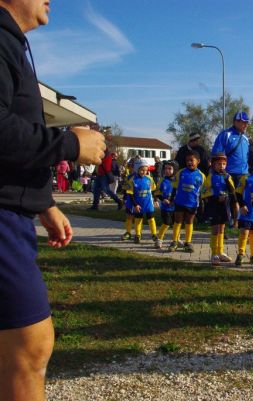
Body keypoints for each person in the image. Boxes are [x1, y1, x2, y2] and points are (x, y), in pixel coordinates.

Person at [0, 2, 106, 399]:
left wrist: (44, 202)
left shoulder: (12, 42)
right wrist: (70, 143)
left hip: (12, 211)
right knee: (30, 346)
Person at [202, 152, 238, 266]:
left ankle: (220, 251)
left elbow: (232, 190)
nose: (221, 166)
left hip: (224, 206)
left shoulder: (227, 176)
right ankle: (214, 254)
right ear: (213, 165)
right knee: (215, 229)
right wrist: (215, 197)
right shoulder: (210, 176)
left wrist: (227, 181)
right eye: (218, 164)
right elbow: (204, 191)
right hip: (214, 205)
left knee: (222, 228)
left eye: (223, 164)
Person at [168, 150, 205, 253]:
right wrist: (171, 199)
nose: (189, 162)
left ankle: (188, 242)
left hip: (192, 203)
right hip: (179, 202)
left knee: (189, 222)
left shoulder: (201, 176)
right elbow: (174, 187)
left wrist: (202, 203)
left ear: (198, 161)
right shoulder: (181, 172)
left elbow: (203, 191)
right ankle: (174, 241)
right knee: (178, 221)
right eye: (187, 160)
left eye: (191, 160)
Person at [211, 111, 251, 186]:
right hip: (228, 174)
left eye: (247, 123)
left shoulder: (245, 139)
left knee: (241, 198)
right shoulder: (225, 135)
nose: (246, 125)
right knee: (229, 197)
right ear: (235, 122)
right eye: (244, 122)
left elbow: (248, 157)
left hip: (244, 175)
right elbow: (216, 155)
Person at [125, 159, 158, 244]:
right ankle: (138, 235)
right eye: (142, 170)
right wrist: (135, 205)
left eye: (146, 170)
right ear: (137, 169)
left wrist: (155, 200)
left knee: (151, 218)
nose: (144, 172)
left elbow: (153, 190)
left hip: (148, 204)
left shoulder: (149, 179)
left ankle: (154, 234)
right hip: (138, 204)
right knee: (138, 219)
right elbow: (130, 194)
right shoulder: (132, 179)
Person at [153, 160, 178, 249]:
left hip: (176, 207)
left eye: (169, 169)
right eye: (165, 168)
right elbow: (157, 192)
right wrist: (162, 199)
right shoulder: (162, 180)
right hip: (166, 207)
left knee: (176, 223)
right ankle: (159, 239)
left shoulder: (178, 180)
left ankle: (177, 239)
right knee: (166, 223)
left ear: (174, 170)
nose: (167, 170)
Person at [120, 158, 136, 240]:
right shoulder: (129, 176)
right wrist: (124, 198)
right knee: (128, 216)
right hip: (129, 199)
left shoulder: (142, 177)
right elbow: (125, 188)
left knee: (137, 217)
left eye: (133, 167)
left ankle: (138, 233)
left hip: (137, 200)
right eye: (130, 167)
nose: (131, 169)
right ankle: (128, 232)